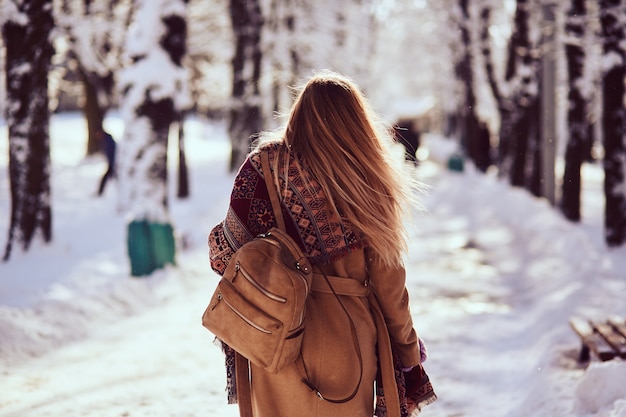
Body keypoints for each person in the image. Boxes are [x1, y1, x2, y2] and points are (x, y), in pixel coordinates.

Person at [208, 71, 435, 417]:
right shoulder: (366, 179)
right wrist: (409, 358)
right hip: (348, 348)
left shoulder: (263, 168)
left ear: (299, 115)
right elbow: (390, 287)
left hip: (276, 343)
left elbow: (224, 254)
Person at [96, 129, 116, 196]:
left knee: (107, 178)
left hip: (113, 163)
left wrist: (112, 164)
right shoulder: (106, 140)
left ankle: (100, 192)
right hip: (111, 163)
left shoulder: (108, 141)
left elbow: (112, 153)